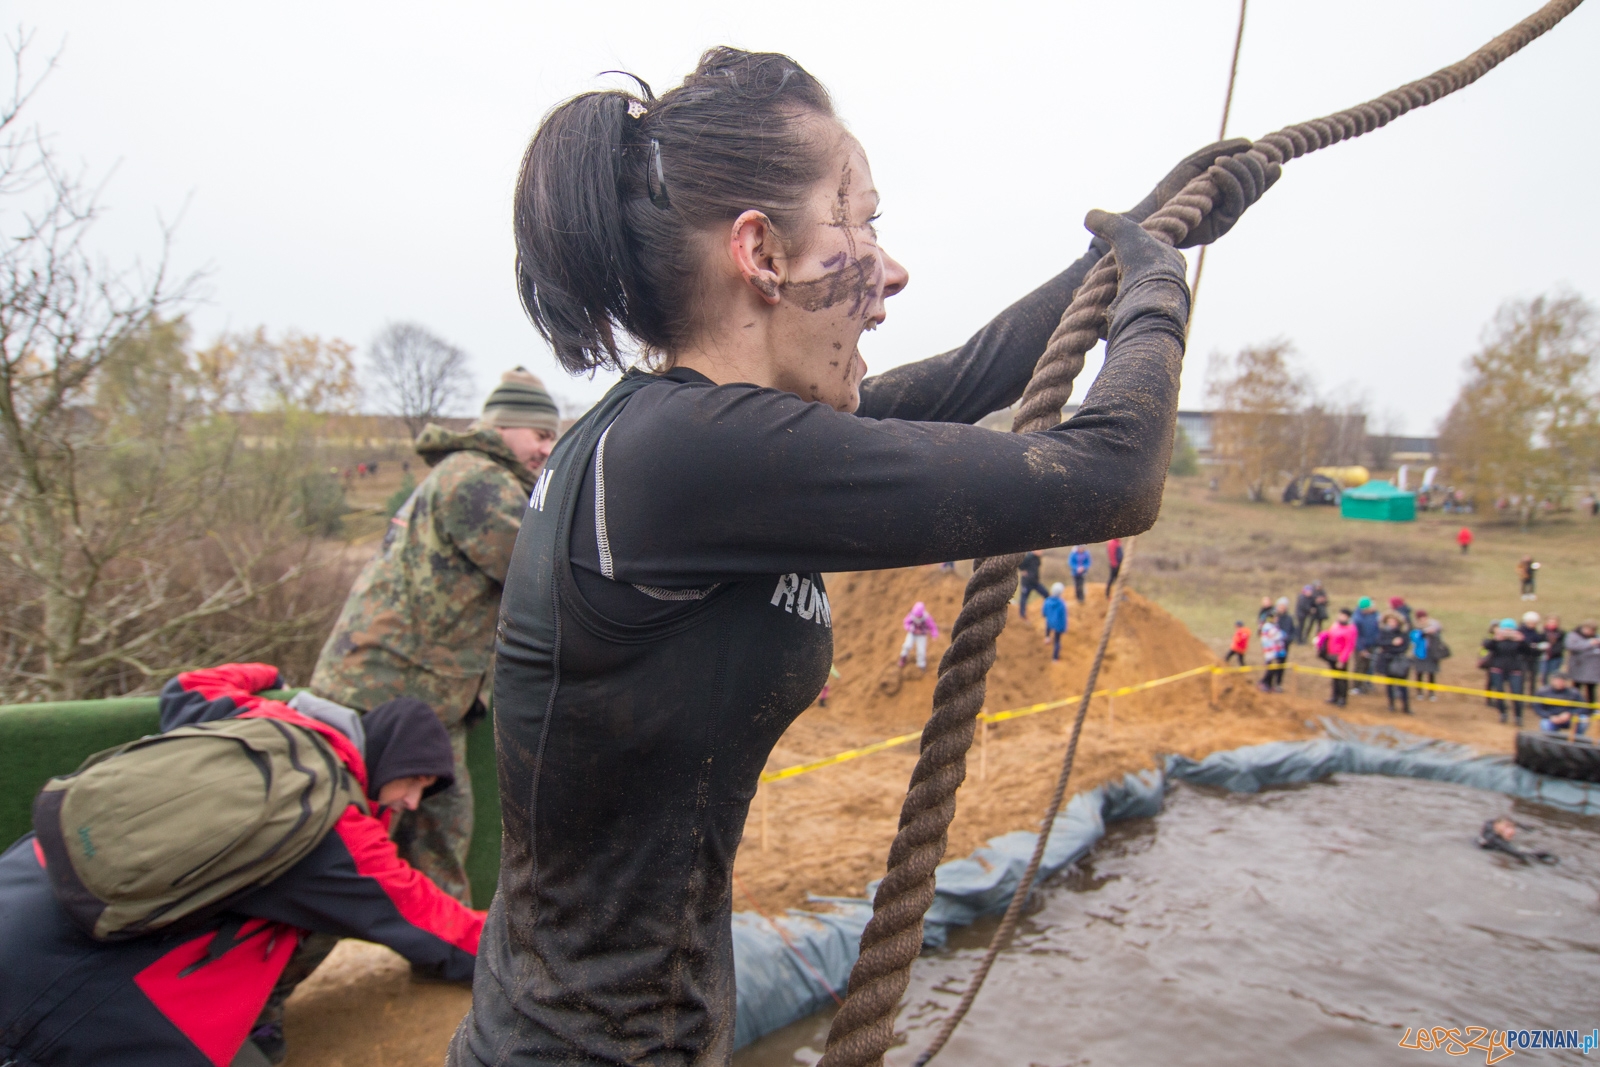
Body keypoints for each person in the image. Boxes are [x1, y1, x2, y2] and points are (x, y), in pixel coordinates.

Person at [453, 46, 1274, 1067]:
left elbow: (975, 370)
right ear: (759, 253)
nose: (890, 271)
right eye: (862, 223)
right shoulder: (683, 458)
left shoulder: (691, 447)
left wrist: (1145, 226)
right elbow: (1113, 474)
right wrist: (1159, 288)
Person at [0, 664, 484, 1067]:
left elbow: (188, 686)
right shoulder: (336, 828)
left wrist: (269, 673)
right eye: (415, 781)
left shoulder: (259, 719)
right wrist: (534, 953)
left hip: (24, 876)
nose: (414, 801)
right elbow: (436, 926)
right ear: (391, 757)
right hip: (82, 982)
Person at [309, 368, 560, 905]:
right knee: (339, 845)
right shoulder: (475, 478)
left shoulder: (482, 476)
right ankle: (275, 973)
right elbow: (539, 571)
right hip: (381, 693)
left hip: (425, 699)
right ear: (503, 428)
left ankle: (444, 950)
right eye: (539, 434)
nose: (547, 448)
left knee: (441, 831)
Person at [1482, 618, 1529, 725]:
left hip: (1515, 670)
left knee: (1517, 693)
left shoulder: (1518, 641)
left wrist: (1522, 641)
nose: (1508, 632)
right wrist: (1495, 639)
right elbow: (1487, 646)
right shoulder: (1497, 640)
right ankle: (1502, 713)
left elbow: (1529, 651)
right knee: (1499, 693)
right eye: (1505, 629)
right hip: (1498, 669)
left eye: (1510, 629)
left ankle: (1518, 716)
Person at [1317, 608, 1358, 706]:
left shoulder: (1351, 629)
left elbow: (1349, 646)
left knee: (1342, 679)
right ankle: (1334, 696)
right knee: (1334, 677)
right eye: (1340, 615)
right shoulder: (1335, 625)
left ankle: (1342, 698)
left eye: (1343, 616)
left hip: (1340, 657)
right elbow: (1329, 634)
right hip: (1331, 654)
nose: (1341, 617)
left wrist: (1342, 659)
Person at [1476, 817, 1556, 865]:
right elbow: (1518, 853)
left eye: (1512, 827)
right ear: (1497, 828)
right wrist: (1543, 854)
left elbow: (1493, 821)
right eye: (1507, 828)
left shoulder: (1489, 826)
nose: (1512, 831)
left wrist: (1521, 825)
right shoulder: (1497, 841)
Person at [1375, 612, 1411, 713]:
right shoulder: (1384, 631)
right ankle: (1391, 704)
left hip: (1399, 661)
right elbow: (1379, 642)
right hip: (1387, 660)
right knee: (1389, 684)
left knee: (1402, 685)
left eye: (1393, 621)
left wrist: (1390, 647)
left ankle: (1406, 706)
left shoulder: (1403, 632)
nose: (1391, 623)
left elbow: (1404, 647)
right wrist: (1392, 643)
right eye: (1389, 621)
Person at [1534, 673, 1586, 737]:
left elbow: (1583, 707)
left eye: (1561, 681)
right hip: (1551, 718)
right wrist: (1550, 716)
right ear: (1552, 681)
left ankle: (1578, 740)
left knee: (1583, 719)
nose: (1559, 683)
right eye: (1557, 680)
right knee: (1544, 723)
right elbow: (1538, 708)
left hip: (1569, 718)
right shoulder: (1543, 692)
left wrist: (1570, 714)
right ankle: (1549, 741)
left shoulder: (1573, 692)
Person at [1409, 611, 1446, 699]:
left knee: (1431, 674)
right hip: (1419, 654)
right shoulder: (1415, 629)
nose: (1423, 620)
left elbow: (1439, 639)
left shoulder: (1434, 627)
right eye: (1421, 618)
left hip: (1432, 654)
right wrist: (1424, 633)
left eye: (1424, 617)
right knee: (1419, 674)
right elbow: (1415, 639)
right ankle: (1419, 692)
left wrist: (1434, 632)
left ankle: (1431, 693)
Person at [1566, 621, 1600, 707]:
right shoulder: (1573, 636)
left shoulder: (1596, 637)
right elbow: (1571, 646)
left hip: (1592, 670)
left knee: (1591, 690)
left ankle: (1591, 709)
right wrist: (1589, 643)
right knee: (1576, 689)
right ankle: (1573, 707)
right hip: (1578, 667)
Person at [1352, 596, 1381, 694]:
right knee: (1360, 666)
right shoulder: (1357, 619)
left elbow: (1377, 630)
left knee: (1368, 666)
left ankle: (1364, 685)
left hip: (1372, 645)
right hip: (1361, 647)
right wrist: (1361, 649)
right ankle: (1356, 686)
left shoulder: (1374, 615)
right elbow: (1356, 636)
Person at [900, 601, 940, 670]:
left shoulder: (926, 617)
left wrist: (934, 635)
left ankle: (921, 665)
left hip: (922, 635)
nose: (917, 617)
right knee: (907, 645)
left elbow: (932, 626)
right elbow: (906, 623)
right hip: (912, 633)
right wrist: (911, 628)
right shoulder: (911, 615)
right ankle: (903, 657)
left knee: (921, 650)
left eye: (919, 616)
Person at [1017, 550, 1049, 618]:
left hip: (1035, 582)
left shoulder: (1037, 558)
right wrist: (1023, 570)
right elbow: (1019, 564)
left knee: (1046, 594)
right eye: (1040, 551)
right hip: (1027, 582)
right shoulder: (1028, 557)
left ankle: (1046, 611)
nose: (1042, 552)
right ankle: (1022, 614)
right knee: (1024, 598)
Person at [1258, 616, 1286, 693]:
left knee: (1273, 668)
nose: (1277, 618)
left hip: (1275, 650)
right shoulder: (1268, 626)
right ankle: (1264, 682)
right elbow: (1277, 636)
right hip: (1271, 650)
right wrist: (1282, 634)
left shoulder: (1272, 626)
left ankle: (1268, 684)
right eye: (1275, 617)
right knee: (1271, 668)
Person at [1042, 582, 1068, 661]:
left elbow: (1044, 612)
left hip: (1049, 621)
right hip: (1058, 625)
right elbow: (1063, 617)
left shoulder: (1047, 601)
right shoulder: (1061, 604)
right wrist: (1063, 628)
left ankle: (1047, 637)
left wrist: (1045, 615)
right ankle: (1055, 658)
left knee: (1048, 625)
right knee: (1057, 641)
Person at [1540, 614, 1567, 684]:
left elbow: (1562, 645)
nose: (1552, 623)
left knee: (1554, 675)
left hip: (1556, 657)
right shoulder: (1542, 632)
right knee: (1544, 675)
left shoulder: (1561, 633)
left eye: (1554, 622)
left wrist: (1554, 650)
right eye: (1550, 621)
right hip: (1544, 657)